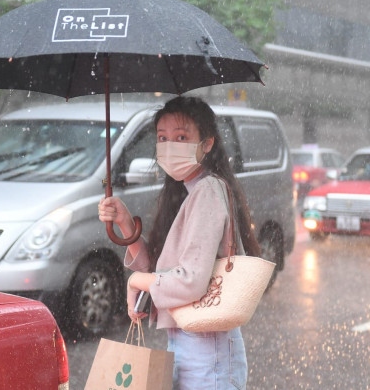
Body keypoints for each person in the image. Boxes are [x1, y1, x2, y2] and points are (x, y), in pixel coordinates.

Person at [98, 96, 261, 390]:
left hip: (207, 351)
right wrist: (124, 222)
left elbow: (189, 282)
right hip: (192, 342)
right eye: (162, 138)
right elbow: (164, 271)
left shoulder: (207, 190)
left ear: (207, 144)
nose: (170, 146)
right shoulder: (188, 190)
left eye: (182, 137)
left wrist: (137, 281)